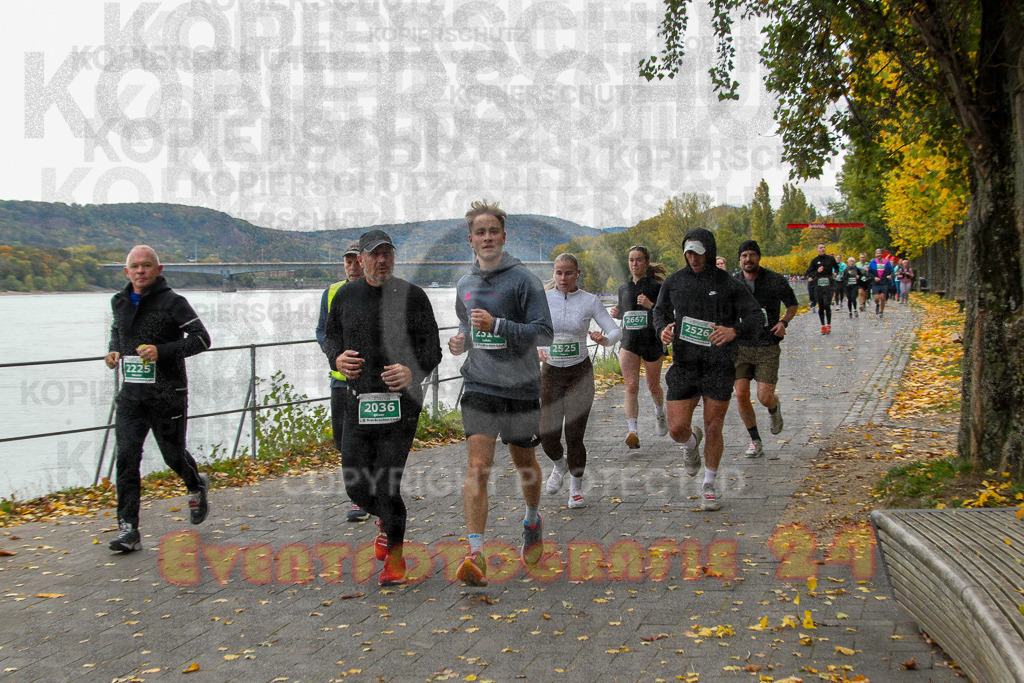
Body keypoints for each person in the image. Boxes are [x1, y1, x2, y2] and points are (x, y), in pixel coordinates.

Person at [322, 230, 442, 586]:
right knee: (356, 486)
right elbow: (330, 336)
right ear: (361, 259)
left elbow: (432, 348)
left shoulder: (413, 296)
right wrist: (336, 357)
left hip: (401, 405)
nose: (382, 259)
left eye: (388, 252)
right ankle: (386, 521)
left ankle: (396, 558)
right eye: (375, 254)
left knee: (388, 485)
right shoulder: (345, 295)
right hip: (357, 402)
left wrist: (412, 370)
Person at [448, 200, 554, 586]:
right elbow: (469, 329)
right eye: (481, 232)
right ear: (471, 240)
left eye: (494, 231)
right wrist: (461, 342)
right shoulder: (464, 284)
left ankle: (532, 518)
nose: (488, 237)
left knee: (524, 466)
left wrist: (499, 325)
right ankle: (475, 553)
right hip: (479, 385)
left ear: (504, 236)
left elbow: (544, 333)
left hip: (521, 387)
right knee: (478, 467)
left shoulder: (524, 280)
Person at [104, 246, 211, 552]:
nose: (140, 271)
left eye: (146, 266)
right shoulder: (119, 301)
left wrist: (160, 351)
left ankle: (195, 485)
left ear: (158, 269)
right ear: (127, 272)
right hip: (132, 397)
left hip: (168, 395)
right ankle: (128, 528)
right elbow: (117, 332)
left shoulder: (174, 302)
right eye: (134, 267)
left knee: (172, 456)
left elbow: (202, 340)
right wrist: (114, 351)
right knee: (126, 457)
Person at [653, 229, 761, 511]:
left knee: (714, 425)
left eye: (698, 252)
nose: (693, 258)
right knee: (676, 428)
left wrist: (733, 331)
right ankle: (690, 444)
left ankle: (709, 486)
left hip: (719, 365)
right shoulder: (675, 282)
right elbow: (659, 312)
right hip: (685, 365)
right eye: (688, 252)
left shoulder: (729, 284)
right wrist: (662, 329)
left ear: (709, 252)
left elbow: (754, 316)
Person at [539, 254, 622, 508]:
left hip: (579, 374)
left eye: (568, 273)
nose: (563, 278)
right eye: (558, 273)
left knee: (574, 435)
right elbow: (529, 329)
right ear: (553, 274)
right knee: (547, 435)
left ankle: (575, 489)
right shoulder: (542, 299)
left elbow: (615, 330)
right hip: (551, 372)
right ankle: (559, 465)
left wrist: (605, 340)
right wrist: (537, 348)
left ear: (578, 274)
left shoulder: (589, 301)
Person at [315, 241, 369, 523]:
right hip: (340, 381)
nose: (351, 266)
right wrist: (336, 357)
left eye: (356, 260)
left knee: (365, 439)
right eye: (347, 261)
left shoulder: (380, 290)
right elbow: (322, 332)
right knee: (342, 441)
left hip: (372, 382)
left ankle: (360, 498)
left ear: (365, 260)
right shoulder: (332, 293)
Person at [733, 241, 798, 458]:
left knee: (764, 396)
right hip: (741, 346)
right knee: (741, 394)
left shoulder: (775, 280)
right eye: (744, 255)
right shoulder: (734, 282)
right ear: (739, 259)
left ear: (759, 257)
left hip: (767, 346)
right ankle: (755, 440)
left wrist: (783, 322)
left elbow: (792, 305)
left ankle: (774, 407)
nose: (748, 259)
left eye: (752, 255)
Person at [609, 246, 669, 449]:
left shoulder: (656, 287)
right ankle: (632, 431)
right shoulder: (624, 288)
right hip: (629, 342)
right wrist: (617, 313)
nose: (634, 264)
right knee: (631, 385)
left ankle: (660, 413)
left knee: (653, 385)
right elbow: (626, 314)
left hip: (651, 341)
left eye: (639, 260)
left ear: (646, 262)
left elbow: (666, 315)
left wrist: (651, 305)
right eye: (631, 260)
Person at [804, 243, 840, 334]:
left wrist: (835, 273)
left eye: (824, 247)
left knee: (827, 304)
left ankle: (828, 325)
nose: (822, 249)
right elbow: (808, 273)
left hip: (829, 285)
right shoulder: (815, 261)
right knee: (821, 305)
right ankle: (822, 325)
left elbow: (836, 267)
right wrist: (817, 271)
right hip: (818, 285)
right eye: (820, 248)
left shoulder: (830, 259)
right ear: (817, 250)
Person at [868, 249, 895, 317]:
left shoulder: (887, 262)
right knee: (876, 298)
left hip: (884, 282)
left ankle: (881, 312)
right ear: (875, 254)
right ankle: (877, 305)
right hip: (876, 283)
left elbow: (892, 271)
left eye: (880, 253)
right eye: (877, 253)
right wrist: (874, 278)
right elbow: (869, 273)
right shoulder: (872, 262)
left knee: (883, 298)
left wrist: (890, 276)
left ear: (882, 254)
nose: (878, 255)